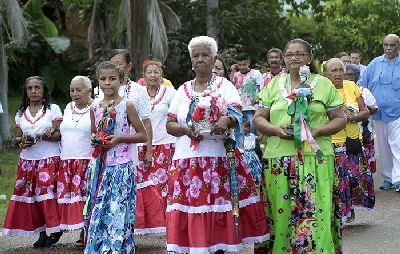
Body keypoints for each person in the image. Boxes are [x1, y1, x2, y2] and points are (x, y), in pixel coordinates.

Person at [166, 36, 268, 253]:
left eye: (205, 55)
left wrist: (226, 120)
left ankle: (218, 248)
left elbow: (238, 114)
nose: (200, 59)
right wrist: (185, 130)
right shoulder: (183, 90)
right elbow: (170, 124)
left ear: (213, 59)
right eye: (196, 56)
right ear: (191, 60)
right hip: (187, 160)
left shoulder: (225, 86)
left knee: (218, 209)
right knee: (193, 208)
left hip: (219, 158)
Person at [254, 39, 347, 253]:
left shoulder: (323, 84)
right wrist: (276, 130)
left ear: (309, 57)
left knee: (315, 215)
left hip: (315, 159)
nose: (294, 58)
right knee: (282, 216)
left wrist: (316, 131)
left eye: (300, 54)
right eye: (289, 54)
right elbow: (259, 117)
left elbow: (339, 119)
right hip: (277, 161)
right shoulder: (274, 84)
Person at [84, 61, 147, 253]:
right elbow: (94, 134)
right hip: (101, 166)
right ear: (98, 81)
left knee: (119, 209)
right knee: (100, 207)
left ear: (121, 81)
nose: (107, 83)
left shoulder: (127, 105)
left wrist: (119, 138)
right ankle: (101, 247)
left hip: (121, 166)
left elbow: (142, 135)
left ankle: (119, 248)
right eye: (103, 79)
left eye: (112, 79)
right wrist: (96, 140)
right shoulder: (94, 107)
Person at [3, 76, 63, 247]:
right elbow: (17, 139)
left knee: (47, 196)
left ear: (44, 91)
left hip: (49, 160)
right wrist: (21, 142)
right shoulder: (21, 113)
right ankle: (42, 233)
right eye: (30, 88)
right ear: (26, 91)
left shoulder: (53, 109)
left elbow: (60, 134)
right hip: (27, 162)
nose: (34, 91)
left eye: (37, 87)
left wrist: (45, 136)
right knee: (33, 198)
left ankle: (56, 228)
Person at [324, 58, 373, 222]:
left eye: (340, 70)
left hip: (353, 139)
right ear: (326, 73)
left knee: (354, 179)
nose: (338, 74)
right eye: (334, 70)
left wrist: (352, 118)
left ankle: (350, 207)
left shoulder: (351, 86)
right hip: (333, 141)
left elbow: (365, 111)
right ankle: (341, 212)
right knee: (338, 180)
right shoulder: (323, 90)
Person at [134, 59, 176, 235]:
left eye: (156, 72)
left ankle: (169, 223)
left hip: (166, 144)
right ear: (143, 76)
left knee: (166, 184)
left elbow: (176, 116)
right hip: (143, 145)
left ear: (161, 75)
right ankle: (152, 224)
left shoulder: (170, 93)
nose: (153, 75)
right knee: (149, 186)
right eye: (149, 72)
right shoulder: (138, 93)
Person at [94, 49, 153, 169]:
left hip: (128, 150)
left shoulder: (138, 90)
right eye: (112, 63)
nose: (115, 67)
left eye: (119, 64)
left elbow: (146, 122)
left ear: (129, 66)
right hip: (103, 151)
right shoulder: (100, 90)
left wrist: (149, 150)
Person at [358, 34, 400, 191]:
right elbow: (362, 84)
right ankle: (388, 178)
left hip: (397, 112)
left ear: (398, 46)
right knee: (383, 146)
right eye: (385, 45)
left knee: (397, 145)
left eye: (392, 45)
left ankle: (398, 179)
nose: (388, 48)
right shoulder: (375, 63)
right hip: (378, 113)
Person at [57, 76, 93, 244]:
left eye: (79, 90)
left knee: (87, 197)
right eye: (72, 90)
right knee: (75, 197)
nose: (75, 93)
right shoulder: (68, 107)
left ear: (89, 91)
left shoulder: (96, 107)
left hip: (86, 160)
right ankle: (81, 230)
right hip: (68, 161)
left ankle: (87, 232)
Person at [232, 52, 264, 133]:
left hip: (251, 107)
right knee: (240, 130)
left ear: (249, 63)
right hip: (239, 107)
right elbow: (232, 88)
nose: (242, 67)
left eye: (244, 64)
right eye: (239, 65)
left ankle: (254, 145)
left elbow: (261, 88)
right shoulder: (236, 75)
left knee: (252, 129)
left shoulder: (256, 73)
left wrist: (257, 99)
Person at [243, 120, 262, 185]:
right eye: (243, 127)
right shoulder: (241, 136)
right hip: (245, 154)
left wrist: (262, 131)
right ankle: (248, 179)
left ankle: (255, 178)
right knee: (247, 166)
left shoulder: (252, 135)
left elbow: (259, 138)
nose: (245, 128)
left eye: (247, 127)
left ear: (249, 128)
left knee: (255, 166)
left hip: (252, 153)